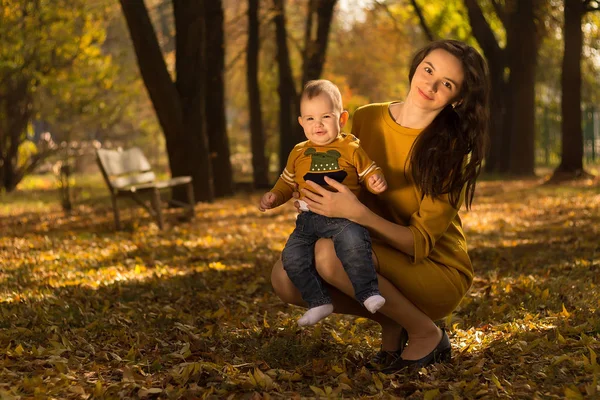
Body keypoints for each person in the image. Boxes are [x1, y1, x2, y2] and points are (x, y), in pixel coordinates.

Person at [270, 40, 491, 373]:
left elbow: (419, 243)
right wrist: (314, 201)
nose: (429, 85)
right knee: (285, 276)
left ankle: (425, 332)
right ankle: (394, 322)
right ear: (417, 65)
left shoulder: (450, 150)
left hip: (434, 269)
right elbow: (346, 179)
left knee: (330, 256)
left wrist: (356, 213)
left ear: (457, 98)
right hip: (371, 250)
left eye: (446, 83)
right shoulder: (367, 118)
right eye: (428, 70)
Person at [259, 79, 388, 327]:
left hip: (343, 218)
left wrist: (375, 181)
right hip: (308, 220)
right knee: (292, 258)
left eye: (325, 117)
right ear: (301, 122)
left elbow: (368, 171)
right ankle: (318, 301)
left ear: (341, 119)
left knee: (353, 247)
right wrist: (274, 197)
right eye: (310, 118)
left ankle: (368, 291)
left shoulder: (350, 147)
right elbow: (286, 183)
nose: (317, 124)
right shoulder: (298, 152)